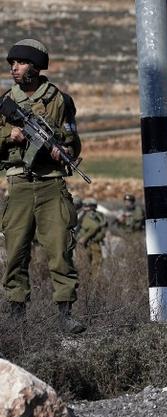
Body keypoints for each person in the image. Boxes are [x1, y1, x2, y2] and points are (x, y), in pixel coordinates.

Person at [0, 39, 85, 333]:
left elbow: (74, 145)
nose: (14, 68)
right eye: (12, 64)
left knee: (60, 250)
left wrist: (60, 150)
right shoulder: (5, 102)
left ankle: (65, 314)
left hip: (52, 185)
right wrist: (10, 136)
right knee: (15, 252)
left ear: (35, 66)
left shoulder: (60, 101)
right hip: (19, 184)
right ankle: (16, 314)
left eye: (20, 63)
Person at [77, 198, 107, 274]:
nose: (84, 207)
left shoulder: (88, 215)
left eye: (86, 206)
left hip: (87, 243)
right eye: (84, 205)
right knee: (95, 264)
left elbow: (94, 227)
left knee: (88, 265)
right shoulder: (98, 215)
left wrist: (84, 238)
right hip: (94, 242)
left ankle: (91, 283)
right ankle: (93, 282)